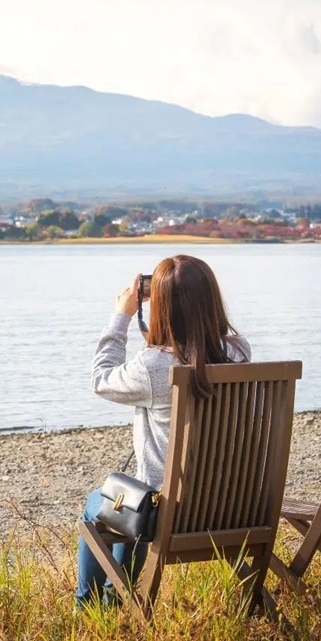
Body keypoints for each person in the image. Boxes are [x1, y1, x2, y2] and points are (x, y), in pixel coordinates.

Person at [75, 254, 250, 607]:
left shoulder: (154, 366)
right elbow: (185, 354)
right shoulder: (240, 351)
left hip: (168, 514)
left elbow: (101, 380)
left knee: (101, 506)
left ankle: (91, 609)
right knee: (132, 499)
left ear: (163, 308)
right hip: (234, 507)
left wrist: (122, 315)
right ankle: (115, 598)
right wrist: (160, 338)